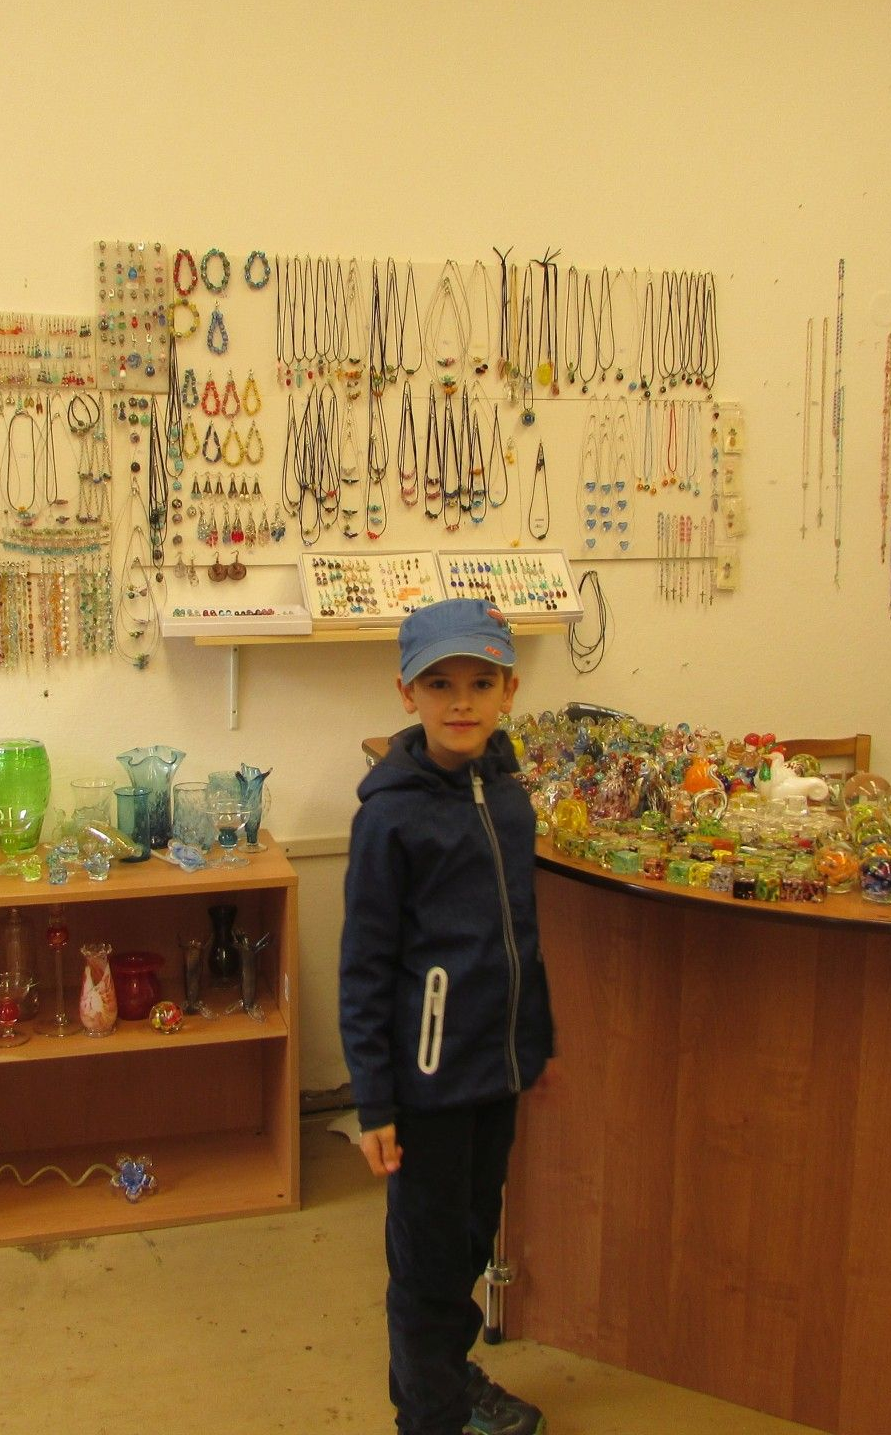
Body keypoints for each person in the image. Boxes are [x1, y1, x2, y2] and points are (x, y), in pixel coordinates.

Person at [340, 597, 555, 1435]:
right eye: (439, 684)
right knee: (427, 1267)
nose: (461, 702)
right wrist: (375, 1102)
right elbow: (364, 967)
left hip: (493, 1073)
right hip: (426, 1087)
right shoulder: (389, 817)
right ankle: (428, 1417)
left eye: (480, 682)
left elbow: (518, 939)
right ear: (407, 694)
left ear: (509, 690)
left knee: (468, 1241)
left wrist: (534, 1046)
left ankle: (449, 1385)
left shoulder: (509, 799)